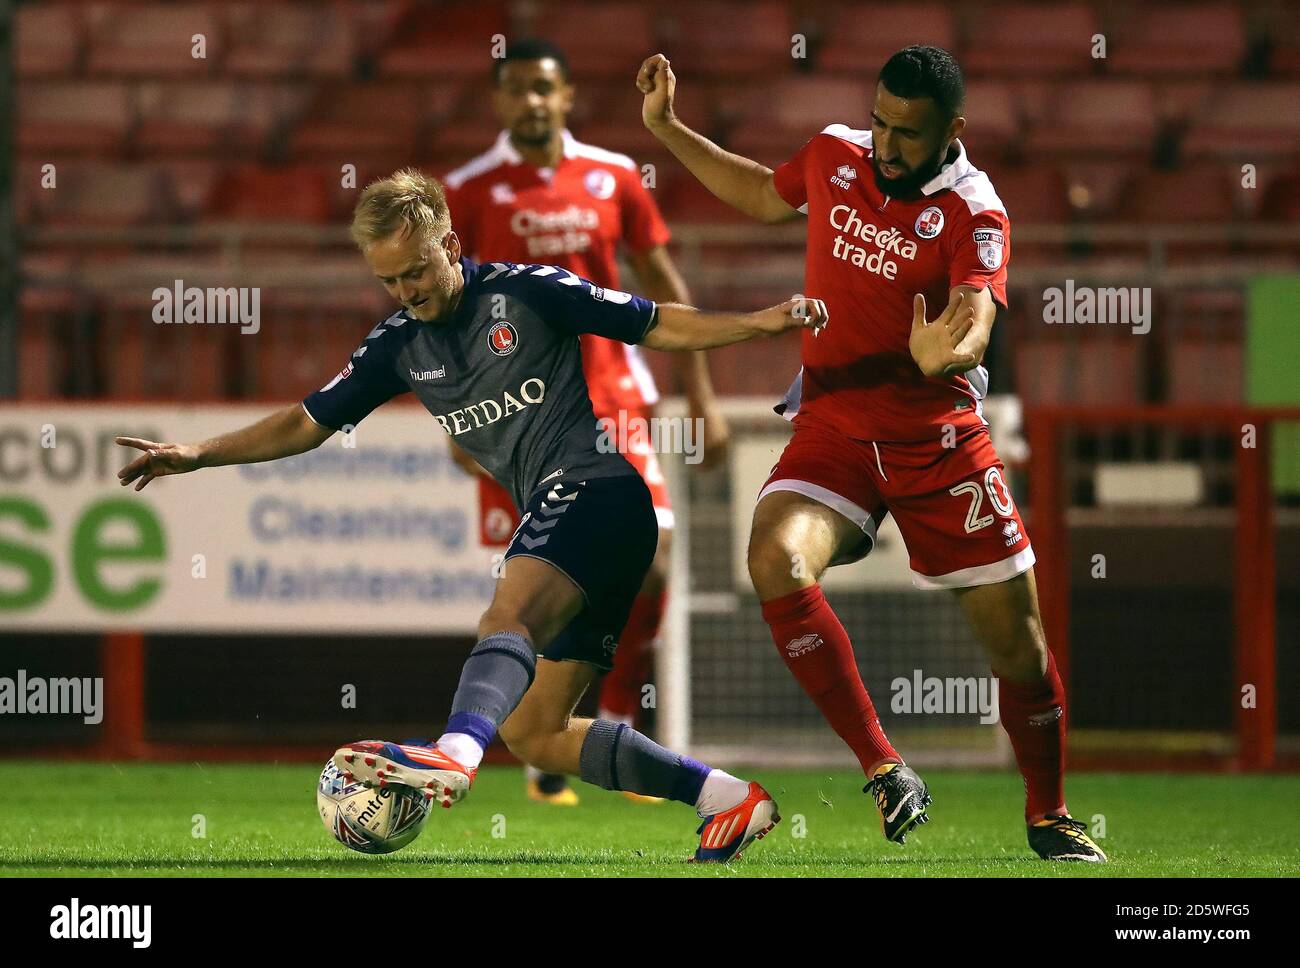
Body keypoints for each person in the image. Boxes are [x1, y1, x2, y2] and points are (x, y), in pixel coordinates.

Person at [115, 168, 829, 861]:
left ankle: (454, 754)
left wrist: (760, 323)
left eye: (416, 272)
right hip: (586, 520)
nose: (406, 292)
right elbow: (307, 423)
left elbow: (653, 324)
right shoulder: (398, 346)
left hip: (596, 491)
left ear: (450, 247)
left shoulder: (527, 293)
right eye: (389, 280)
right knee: (535, 730)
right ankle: (725, 798)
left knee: (506, 616)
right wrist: (196, 454)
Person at [636, 44, 1106, 861]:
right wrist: (669, 127)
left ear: (952, 131)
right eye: (881, 123)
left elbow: (975, 318)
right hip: (835, 424)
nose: (887, 146)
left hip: (938, 440)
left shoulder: (975, 211)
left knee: (1019, 647)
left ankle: (1049, 813)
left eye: (909, 135)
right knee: (775, 558)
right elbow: (756, 191)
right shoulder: (834, 155)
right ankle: (885, 767)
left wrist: (947, 353)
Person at [441, 39, 726, 806]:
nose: (531, 101)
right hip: (517, 416)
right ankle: (541, 745)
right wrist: (455, 416)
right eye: (516, 89)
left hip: (614, 396)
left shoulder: (617, 175)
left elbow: (663, 284)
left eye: (544, 88)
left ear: (567, 96)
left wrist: (698, 391)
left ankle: (617, 718)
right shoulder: (466, 192)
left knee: (656, 560)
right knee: (532, 594)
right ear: (499, 101)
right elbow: (442, 314)